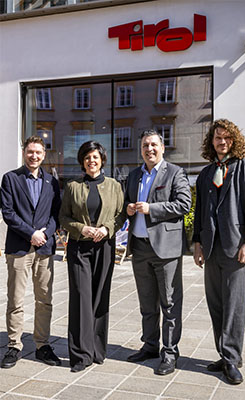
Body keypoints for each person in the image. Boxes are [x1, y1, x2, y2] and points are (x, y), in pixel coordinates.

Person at [192, 119, 245, 385]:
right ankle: (225, 355)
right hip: (211, 248)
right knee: (217, 305)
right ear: (211, 142)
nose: (222, 142)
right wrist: (197, 243)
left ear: (234, 141)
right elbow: (199, 212)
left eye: (227, 138)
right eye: (217, 138)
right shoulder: (205, 173)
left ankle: (232, 359)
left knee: (234, 305)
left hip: (236, 248)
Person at [123, 131, 191, 375]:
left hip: (166, 250)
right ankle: (150, 345)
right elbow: (124, 205)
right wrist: (128, 209)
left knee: (170, 303)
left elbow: (184, 204)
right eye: (144, 145)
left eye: (153, 144)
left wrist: (152, 208)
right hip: (140, 247)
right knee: (147, 302)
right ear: (140, 149)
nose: (149, 149)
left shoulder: (174, 172)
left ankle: (170, 352)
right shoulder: (133, 175)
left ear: (162, 147)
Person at [59, 141, 125, 372]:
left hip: (104, 247)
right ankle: (80, 355)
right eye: (87, 157)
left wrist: (107, 228)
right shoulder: (72, 186)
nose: (91, 161)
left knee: (100, 297)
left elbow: (121, 214)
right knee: (81, 298)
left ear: (102, 159)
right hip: (79, 248)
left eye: (95, 157)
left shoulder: (115, 186)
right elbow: (63, 217)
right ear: (82, 161)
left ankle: (97, 350)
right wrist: (81, 228)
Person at [0, 136, 62, 368]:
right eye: (30, 152)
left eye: (38, 152)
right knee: (16, 299)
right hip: (19, 249)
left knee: (44, 299)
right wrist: (31, 234)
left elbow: (56, 214)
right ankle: (14, 346)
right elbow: (8, 213)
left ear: (44, 155)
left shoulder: (51, 182)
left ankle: (42, 345)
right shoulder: (10, 178)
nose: (34, 156)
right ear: (24, 153)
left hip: (44, 249)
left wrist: (45, 234)